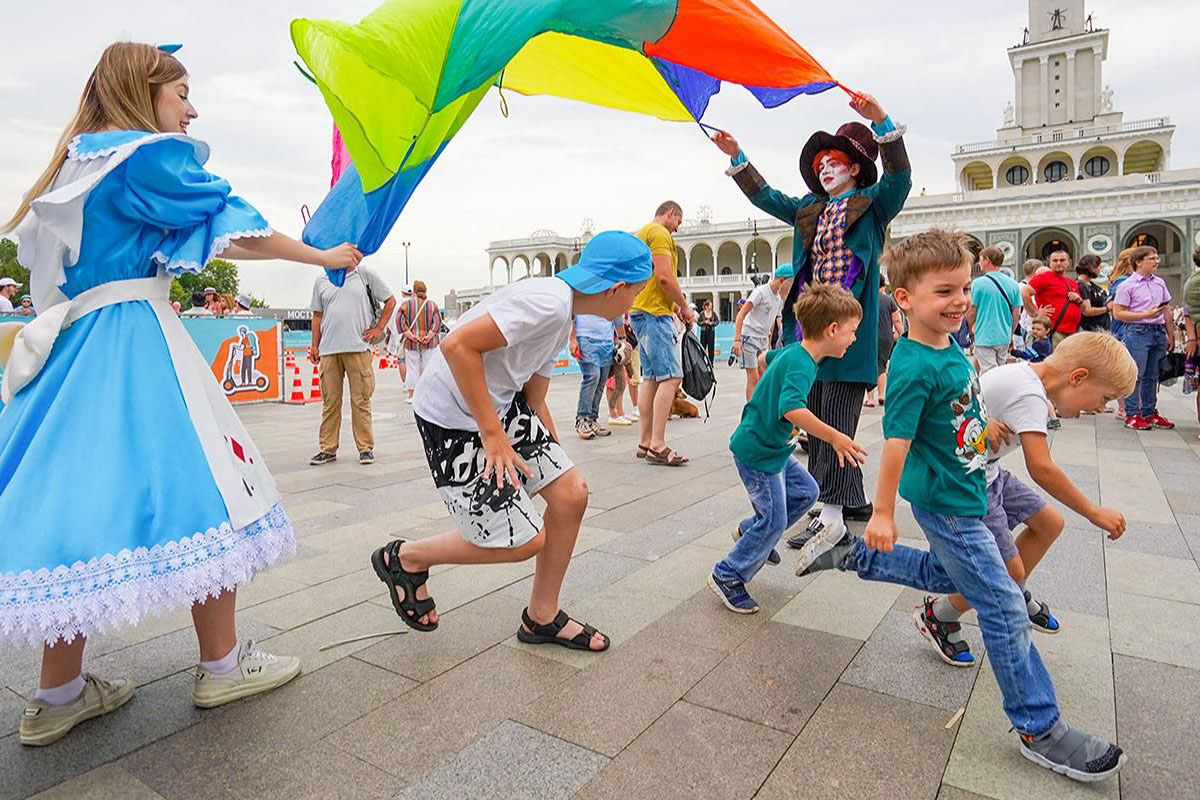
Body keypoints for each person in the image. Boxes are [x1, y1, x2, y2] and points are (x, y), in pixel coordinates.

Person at [0, 41, 362, 746]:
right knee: (206, 484)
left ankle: (58, 693)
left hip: (78, 346)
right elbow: (236, 234)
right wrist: (324, 255)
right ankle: (222, 666)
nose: (192, 108)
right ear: (146, 92)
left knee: (70, 498)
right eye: (182, 93)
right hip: (134, 336)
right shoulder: (147, 157)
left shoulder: (79, 160)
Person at [794, 230, 1126, 782]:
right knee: (1003, 606)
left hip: (971, 486)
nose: (960, 300)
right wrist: (881, 513)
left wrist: (981, 426)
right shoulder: (911, 366)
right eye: (944, 290)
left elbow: (954, 406)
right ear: (903, 299)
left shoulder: (947, 346)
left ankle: (850, 555)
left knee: (949, 574)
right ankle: (1039, 727)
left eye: (964, 288)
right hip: (949, 503)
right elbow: (896, 442)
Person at [371, 231, 650, 650]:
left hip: (499, 405)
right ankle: (406, 557)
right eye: (637, 293)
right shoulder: (548, 304)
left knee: (571, 494)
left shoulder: (563, 312)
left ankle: (542, 618)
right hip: (453, 416)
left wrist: (558, 462)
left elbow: (534, 398)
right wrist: (493, 437)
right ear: (615, 290)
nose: (635, 303)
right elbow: (456, 344)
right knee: (526, 540)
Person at [713, 91, 911, 544]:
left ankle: (835, 515)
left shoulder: (873, 205)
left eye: (834, 161)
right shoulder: (809, 209)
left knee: (837, 418)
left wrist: (881, 119)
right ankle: (839, 503)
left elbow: (900, 175)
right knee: (815, 419)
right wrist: (738, 157)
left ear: (855, 168)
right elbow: (767, 196)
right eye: (819, 162)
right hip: (811, 328)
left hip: (849, 332)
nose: (824, 168)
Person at [908, 332, 1135, 666]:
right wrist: (1094, 512)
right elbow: (1042, 468)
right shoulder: (1031, 394)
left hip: (989, 471)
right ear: (1078, 377)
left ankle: (1012, 589)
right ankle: (940, 615)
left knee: (1050, 523)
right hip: (968, 482)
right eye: (1105, 397)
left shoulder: (1026, 374)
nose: (1101, 408)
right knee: (1009, 571)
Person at [709, 284, 867, 613]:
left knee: (807, 491)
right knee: (775, 520)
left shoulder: (796, 352)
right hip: (759, 453)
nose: (854, 340)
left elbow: (766, 359)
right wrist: (835, 436)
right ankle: (729, 573)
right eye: (852, 332)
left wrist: (766, 389)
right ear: (832, 329)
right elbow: (792, 409)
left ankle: (750, 532)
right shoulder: (802, 363)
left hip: (774, 448)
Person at [308, 262, 395, 466]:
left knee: (361, 400)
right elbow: (317, 315)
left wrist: (379, 328)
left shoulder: (364, 274)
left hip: (358, 347)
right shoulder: (321, 280)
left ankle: (365, 448)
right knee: (330, 402)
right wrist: (314, 346)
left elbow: (390, 301)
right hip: (329, 349)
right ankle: (327, 448)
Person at [630, 201, 695, 466]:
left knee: (652, 378)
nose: (678, 228)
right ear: (670, 214)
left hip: (640, 310)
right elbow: (665, 277)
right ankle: (657, 444)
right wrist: (683, 307)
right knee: (672, 377)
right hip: (655, 313)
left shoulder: (641, 234)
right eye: (678, 222)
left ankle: (645, 442)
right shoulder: (659, 234)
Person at [1113, 246, 1175, 431]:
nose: (1156, 261)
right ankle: (1132, 414)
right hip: (1137, 331)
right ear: (1138, 262)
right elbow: (1118, 313)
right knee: (1136, 375)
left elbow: (1166, 309)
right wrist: (1144, 314)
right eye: (1151, 258)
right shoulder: (1127, 285)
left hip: (1157, 331)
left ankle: (1149, 412)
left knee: (1153, 375)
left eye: (1157, 257)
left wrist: (1170, 334)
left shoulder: (1159, 283)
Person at [732, 265, 795, 401]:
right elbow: (741, 315)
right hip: (749, 336)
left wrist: (770, 342)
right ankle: (751, 412)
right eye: (790, 285)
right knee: (753, 378)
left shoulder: (778, 299)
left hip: (763, 339)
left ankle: (760, 405)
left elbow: (772, 322)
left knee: (765, 376)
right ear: (781, 281)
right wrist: (737, 340)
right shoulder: (760, 292)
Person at [968, 245, 1021, 374]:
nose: (979, 263)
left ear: (987, 260)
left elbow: (972, 311)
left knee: (988, 372)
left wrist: (971, 329)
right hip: (1003, 336)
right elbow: (1016, 314)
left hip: (984, 335)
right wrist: (1010, 333)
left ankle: (991, 394)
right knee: (1000, 371)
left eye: (980, 259)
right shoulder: (1013, 284)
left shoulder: (978, 283)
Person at [570, 311, 618, 439]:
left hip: (607, 339)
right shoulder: (583, 290)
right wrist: (572, 338)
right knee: (592, 377)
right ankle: (582, 419)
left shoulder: (611, 290)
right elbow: (573, 312)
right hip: (585, 336)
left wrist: (622, 338)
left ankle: (592, 419)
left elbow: (617, 312)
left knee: (601, 381)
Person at [1023, 250, 1082, 348]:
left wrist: (1078, 299)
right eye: (1055, 260)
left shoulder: (1072, 282)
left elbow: (1082, 305)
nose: (1058, 263)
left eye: (1062, 260)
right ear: (1050, 263)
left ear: (1068, 262)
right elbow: (1024, 292)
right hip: (1055, 332)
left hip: (1072, 332)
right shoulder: (1044, 278)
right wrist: (1035, 313)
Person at [396, 279, 442, 403]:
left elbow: (400, 322)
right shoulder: (432, 305)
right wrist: (429, 335)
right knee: (429, 367)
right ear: (425, 291)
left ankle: (412, 395)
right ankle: (430, 394)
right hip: (430, 342)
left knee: (412, 368)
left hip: (411, 342)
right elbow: (437, 322)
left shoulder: (406, 305)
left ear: (414, 291)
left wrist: (411, 335)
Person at [865, 277, 901, 407]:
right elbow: (896, 319)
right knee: (882, 365)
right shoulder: (889, 300)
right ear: (883, 286)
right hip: (886, 337)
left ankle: (870, 398)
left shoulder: (868, 299)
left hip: (869, 336)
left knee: (870, 365)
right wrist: (902, 334)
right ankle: (881, 395)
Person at [1075, 255, 1110, 332]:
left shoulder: (1090, 284)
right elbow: (1087, 311)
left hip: (1100, 327)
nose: (1099, 270)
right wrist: (1106, 309)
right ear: (1091, 267)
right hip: (1091, 329)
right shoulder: (1082, 285)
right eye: (1098, 267)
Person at [388, 284, 414, 386]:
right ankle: (413, 383)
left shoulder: (397, 306)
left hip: (400, 335)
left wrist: (394, 332)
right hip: (414, 336)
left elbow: (391, 321)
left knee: (401, 360)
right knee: (413, 361)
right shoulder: (415, 304)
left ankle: (405, 383)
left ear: (402, 293)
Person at [1016, 258, 1043, 347]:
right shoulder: (1028, 289)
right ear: (1035, 270)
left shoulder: (1017, 286)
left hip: (1023, 326)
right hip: (1029, 327)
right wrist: (1036, 313)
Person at [698, 299, 718, 364]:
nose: (711, 307)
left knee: (711, 347)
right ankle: (702, 361)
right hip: (704, 332)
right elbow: (698, 322)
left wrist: (712, 323)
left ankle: (711, 362)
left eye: (711, 305)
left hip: (711, 331)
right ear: (706, 306)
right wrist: (704, 322)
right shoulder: (702, 314)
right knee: (703, 346)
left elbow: (717, 321)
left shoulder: (713, 313)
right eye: (710, 305)